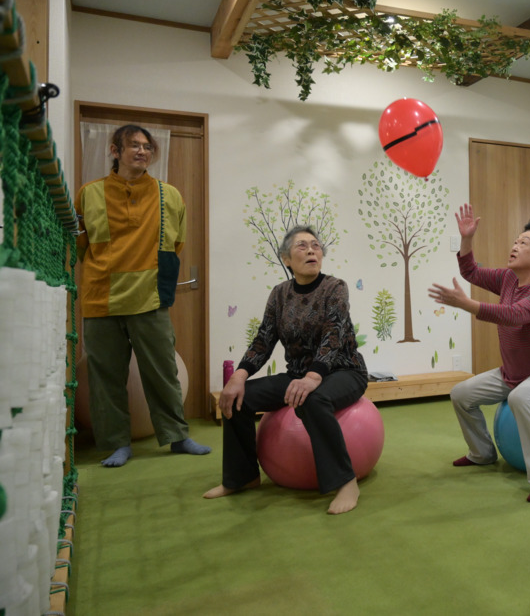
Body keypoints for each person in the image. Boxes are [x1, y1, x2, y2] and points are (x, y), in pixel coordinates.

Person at [203, 226, 368, 515]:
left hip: (343, 371)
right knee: (240, 399)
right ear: (286, 259)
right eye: (302, 246)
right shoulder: (279, 294)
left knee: (313, 399)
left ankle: (346, 481)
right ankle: (243, 477)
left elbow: (334, 334)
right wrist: (239, 376)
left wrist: (314, 377)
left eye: (316, 246)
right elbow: (264, 339)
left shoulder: (335, 288)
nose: (311, 250)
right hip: (298, 375)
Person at [75, 124, 211, 467]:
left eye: (147, 147)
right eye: (133, 145)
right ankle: (116, 443)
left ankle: (177, 436)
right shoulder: (88, 194)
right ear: (114, 151)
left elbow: (177, 243)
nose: (141, 151)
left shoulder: (170, 195)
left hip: (150, 298)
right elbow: (79, 246)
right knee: (105, 377)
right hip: (101, 298)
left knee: (163, 371)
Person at [428, 205, 530, 504]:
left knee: (522, 397)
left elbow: (512, 315)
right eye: (515, 240)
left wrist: (466, 304)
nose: (514, 246)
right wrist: (466, 239)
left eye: (523, 243)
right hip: (513, 373)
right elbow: (470, 271)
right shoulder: (508, 279)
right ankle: (481, 453)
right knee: (461, 394)